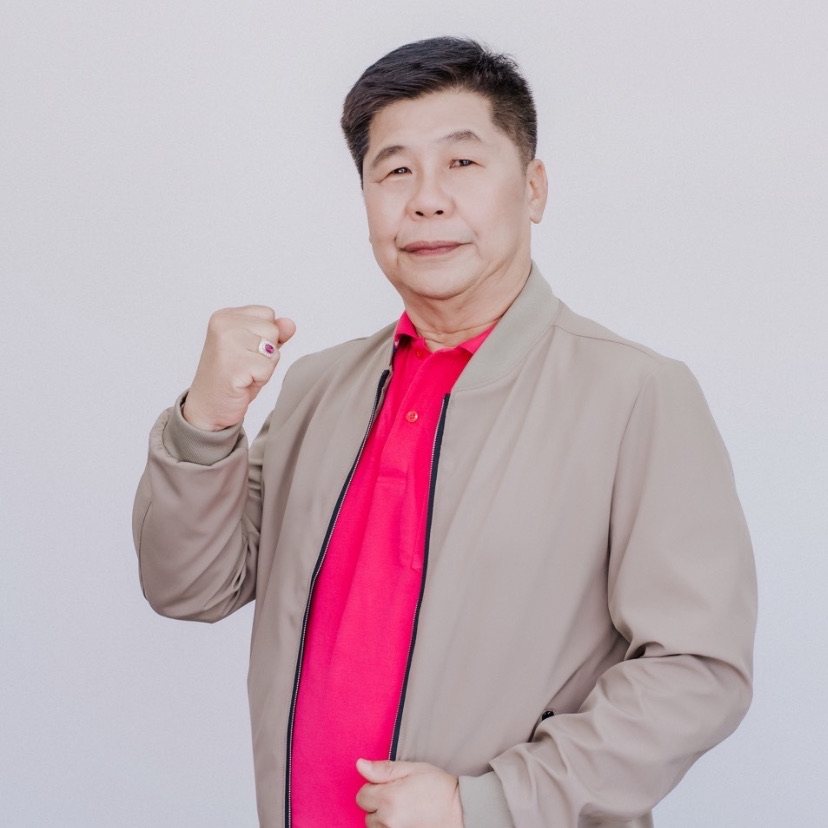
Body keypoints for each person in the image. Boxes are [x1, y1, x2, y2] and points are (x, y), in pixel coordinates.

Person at [133, 37, 756, 828]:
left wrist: (486, 803)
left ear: (533, 188)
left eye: (462, 163)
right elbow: (190, 587)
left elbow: (698, 669)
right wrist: (207, 421)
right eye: (394, 171)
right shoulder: (319, 386)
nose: (426, 200)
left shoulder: (635, 394)